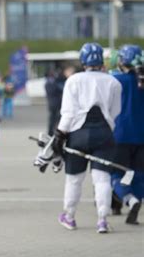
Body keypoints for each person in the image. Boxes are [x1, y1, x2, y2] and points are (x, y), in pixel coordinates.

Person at [51, 42, 122, 234]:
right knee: (102, 178)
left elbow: (68, 112)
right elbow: (115, 112)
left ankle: (70, 216)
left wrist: (59, 135)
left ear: (82, 60)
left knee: (74, 178)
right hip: (104, 134)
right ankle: (102, 220)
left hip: (78, 135)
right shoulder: (113, 82)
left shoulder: (74, 80)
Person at [111, 44, 144, 224]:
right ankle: (137, 205)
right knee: (139, 175)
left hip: (120, 135)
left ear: (122, 61)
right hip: (142, 136)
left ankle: (130, 200)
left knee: (116, 174)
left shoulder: (115, 80)